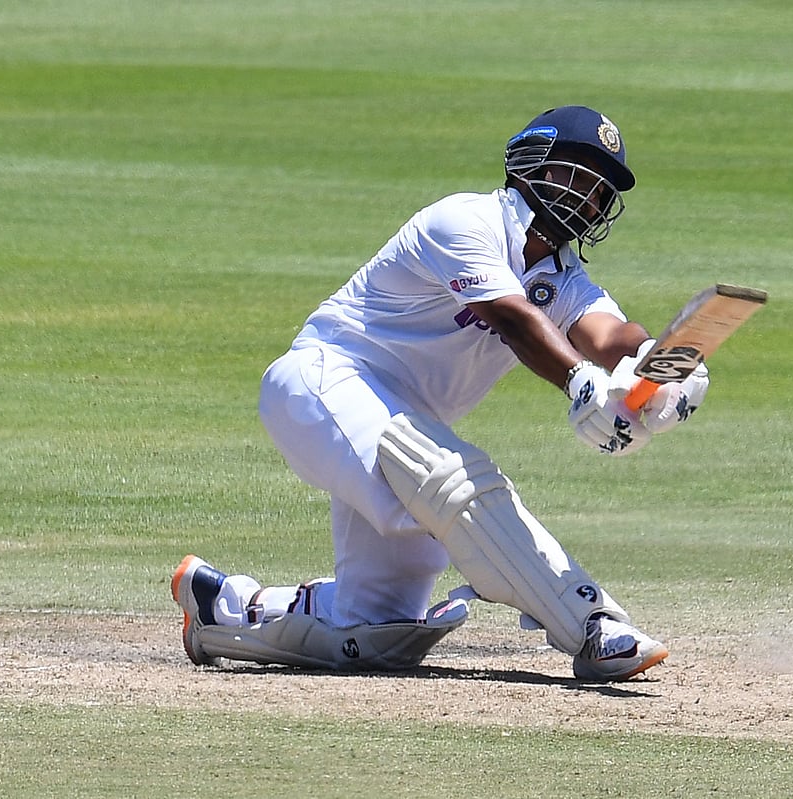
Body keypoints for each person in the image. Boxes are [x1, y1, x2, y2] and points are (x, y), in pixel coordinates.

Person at [171, 105, 709, 681]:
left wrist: (661, 366)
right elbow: (511, 317)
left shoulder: (565, 279)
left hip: (405, 424)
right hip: (323, 381)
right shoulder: (465, 221)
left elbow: (609, 334)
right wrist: (580, 383)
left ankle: (223, 608)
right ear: (532, 163)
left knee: (378, 632)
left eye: (601, 189)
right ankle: (593, 625)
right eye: (577, 174)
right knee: (451, 479)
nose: (589, 197)